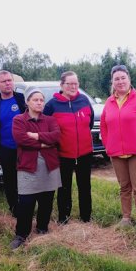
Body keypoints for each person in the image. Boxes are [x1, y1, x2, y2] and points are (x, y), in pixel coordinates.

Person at [9, 88, 62, 249]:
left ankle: (42, 228)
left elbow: (56, 136)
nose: (39, 103)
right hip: (28, 166)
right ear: (27, 102)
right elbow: (21, 139)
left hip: (49, 166)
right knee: (26, 202)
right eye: (35, 100)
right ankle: (21, 234)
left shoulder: (50, 120)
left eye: (41, 100)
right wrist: (44, 143)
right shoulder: (19, 119)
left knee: (46, 200)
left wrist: (36, 135)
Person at [100, 65, 136, 233]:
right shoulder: (109, 101)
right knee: (124, 188)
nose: (120, 81)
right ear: (112, 82)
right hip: (116, 152)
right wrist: (108, 145)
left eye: (123, 78)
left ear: (129, 79)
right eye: (116, 79)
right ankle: (126, 218)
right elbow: (104, 127)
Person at [43, 71, 94, 224]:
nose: (73, 86)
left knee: (85, 186)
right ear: (61, 85)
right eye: (69, 84)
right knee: (64, 187)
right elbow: (46, 128)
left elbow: (89, 124)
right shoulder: (52, 105)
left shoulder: (84, 100)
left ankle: (86, 217)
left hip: (85, 153)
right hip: (63, 154)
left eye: (75, 83)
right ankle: (64, 218)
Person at [0, 70, 27, 216]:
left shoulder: (21, 99)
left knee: (26, 178)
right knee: (10, 180)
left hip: (25, 148)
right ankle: (15, 209)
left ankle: (27, 206)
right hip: (7, 148)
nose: (8, 83)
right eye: (4, 81)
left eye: (10, 80)